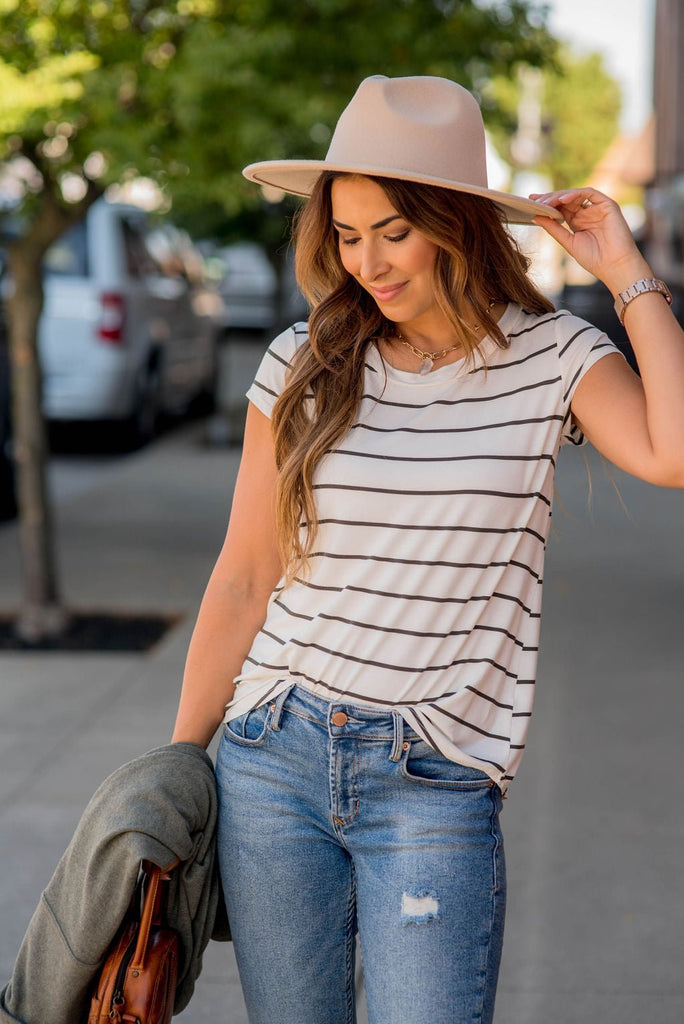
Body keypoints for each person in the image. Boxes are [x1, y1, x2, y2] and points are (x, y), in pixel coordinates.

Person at [171, 75, 684, 1024]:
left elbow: (674, 450)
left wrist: (625, 269)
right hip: (271, 757)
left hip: (435, 780)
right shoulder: (302, 359)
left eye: (394, 232)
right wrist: (176, 765)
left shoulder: (556, 356)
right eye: (348, 234)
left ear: (456, 222)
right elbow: (247, 574)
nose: (367, 261)